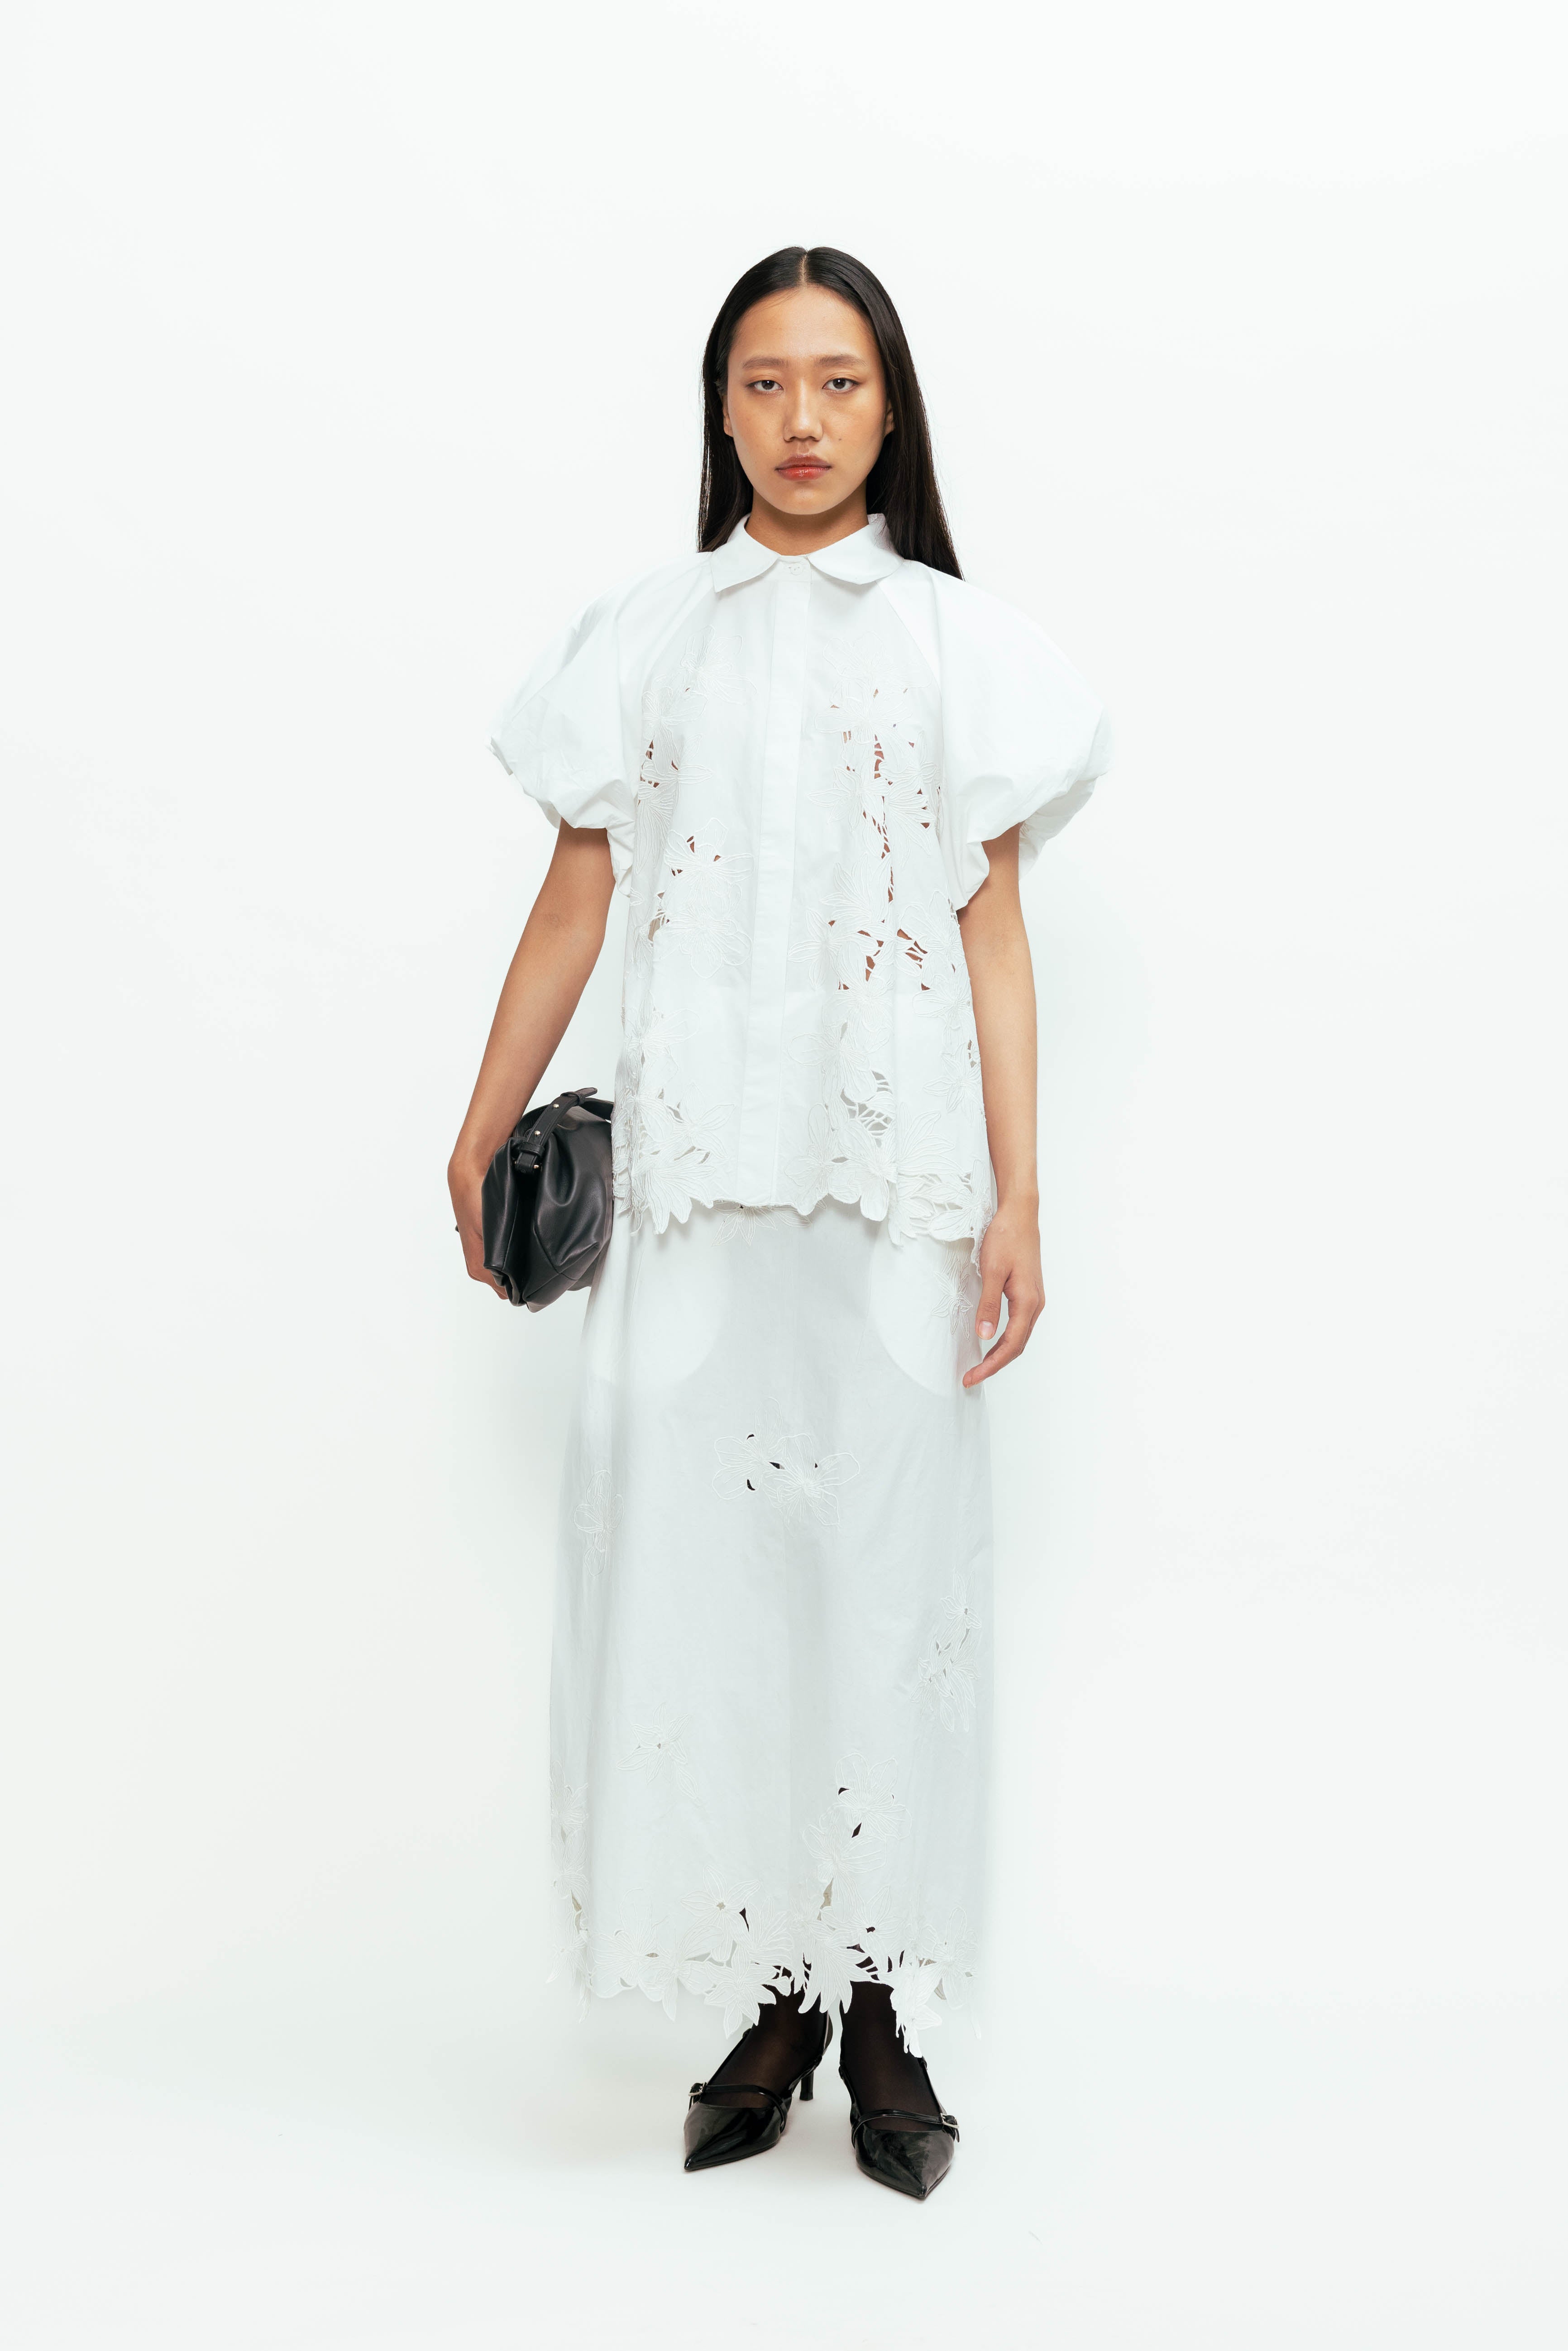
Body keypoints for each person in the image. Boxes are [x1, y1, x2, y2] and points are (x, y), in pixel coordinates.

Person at [449, 246, 1110, 2199]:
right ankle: (768, 1993)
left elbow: (993, 934)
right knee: (708, 1589)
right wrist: (480, 1117)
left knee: (888, 1584)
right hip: (691, 1184)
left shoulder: (960, 648)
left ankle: (880, 2002)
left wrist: (1020, 1191)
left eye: (837, 381)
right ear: (720, 408)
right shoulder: (646, 636)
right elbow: (576, 895)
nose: (801, 419)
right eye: (763, 382)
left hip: (892, 1190)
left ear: (889, 406)